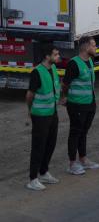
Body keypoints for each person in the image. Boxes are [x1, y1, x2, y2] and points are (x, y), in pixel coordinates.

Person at [60, 36, 99, 176]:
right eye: (94, 45)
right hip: (76, 104)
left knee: (84, 132)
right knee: (75, 132)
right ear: (85, 47)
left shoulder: (90, 60)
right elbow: (65, 84)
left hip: (90, 103)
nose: (96, 48)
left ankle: (83, 159)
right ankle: (72, 164)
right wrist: (64, 97)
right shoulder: (74, 64)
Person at [26, 43, 61, 191]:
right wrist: (30, 111)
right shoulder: (37, 72)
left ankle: (43, 172)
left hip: (52, 113)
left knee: (50, 144)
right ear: (47, 56)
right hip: (40, 116)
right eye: (55, 54)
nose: (58, 56)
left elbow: (54, 89)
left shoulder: (52, 68)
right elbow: (30, 95)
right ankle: (33, 179)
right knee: (38, 147)